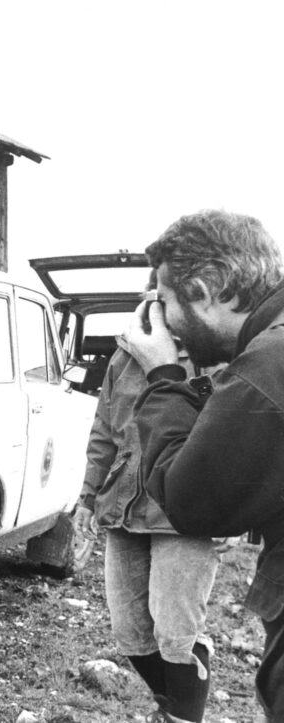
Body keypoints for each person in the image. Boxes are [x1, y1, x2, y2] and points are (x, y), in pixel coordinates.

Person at [123, 209, 284, 722]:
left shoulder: (268, 365)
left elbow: (191, 501)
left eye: (165, 302)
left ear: (204, 290)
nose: (164, 321)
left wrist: (163, 375)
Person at [76, 302, 220, 722]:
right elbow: (104, 431)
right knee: (130, 634)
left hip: (185, 514)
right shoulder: (123, 357)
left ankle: (182, 715)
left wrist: (233, 515)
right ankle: (173, 704)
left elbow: (234, 439)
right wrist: (87, 498)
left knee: (176, 635)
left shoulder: (216, 357)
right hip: (123, 509)